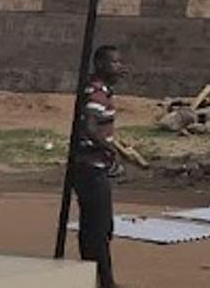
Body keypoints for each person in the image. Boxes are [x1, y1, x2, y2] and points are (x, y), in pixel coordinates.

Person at [71, 45, 127, 288]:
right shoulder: (96, 93)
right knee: (100, 228)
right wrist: (109, 148)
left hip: (91, 168)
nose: (120, 67)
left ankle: (92, 277)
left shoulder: (100, 91)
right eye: (114, 63)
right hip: (90, 168)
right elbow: (89, 127)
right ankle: (105, 281)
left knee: (93, 227)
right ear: (101, 65)